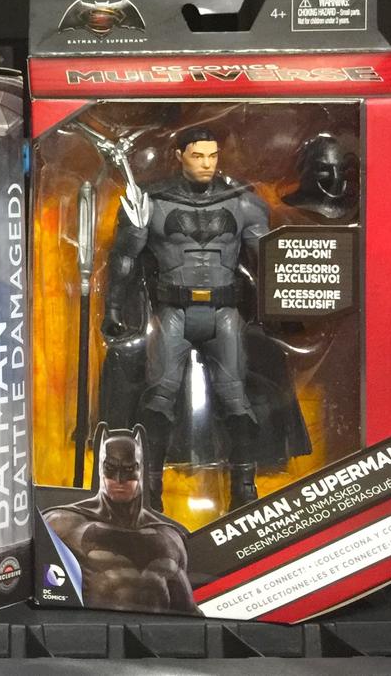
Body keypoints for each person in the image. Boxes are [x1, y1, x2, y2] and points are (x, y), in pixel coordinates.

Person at [104, 126, 270, 510]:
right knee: (158, 399)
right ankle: (150, 493)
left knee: (236, 400)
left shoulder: (242, 202)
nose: (207, 164)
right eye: (198, 156)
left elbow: (268, 258)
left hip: (224, 312)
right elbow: (125, 258)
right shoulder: (152, 202)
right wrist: (113, 309)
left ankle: (245, 489)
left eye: (213, 156)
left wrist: (283, 309)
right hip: (173, 312)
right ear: (179, 156)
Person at [43, 426, 198, 615]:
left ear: (141, 469)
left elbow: (188, 612)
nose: (119, 479)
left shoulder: (170, 537)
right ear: (100, 468)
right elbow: (40, 594)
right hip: (93, 630)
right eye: (110, 469)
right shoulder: (63, 524)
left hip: (154, 631)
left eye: (129, 469)